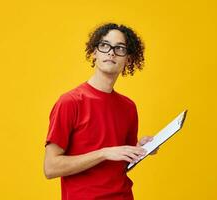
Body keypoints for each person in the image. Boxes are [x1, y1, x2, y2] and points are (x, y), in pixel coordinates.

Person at [44, 22, 157, 200]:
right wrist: (104, 152)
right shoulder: (70, 102)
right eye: (105, 45)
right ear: (95, 52)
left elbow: (120, 164)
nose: (111, 52)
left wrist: (138, 149)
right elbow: (51, 168)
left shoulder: (128, 107)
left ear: (128, 58)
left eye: (120, 48)